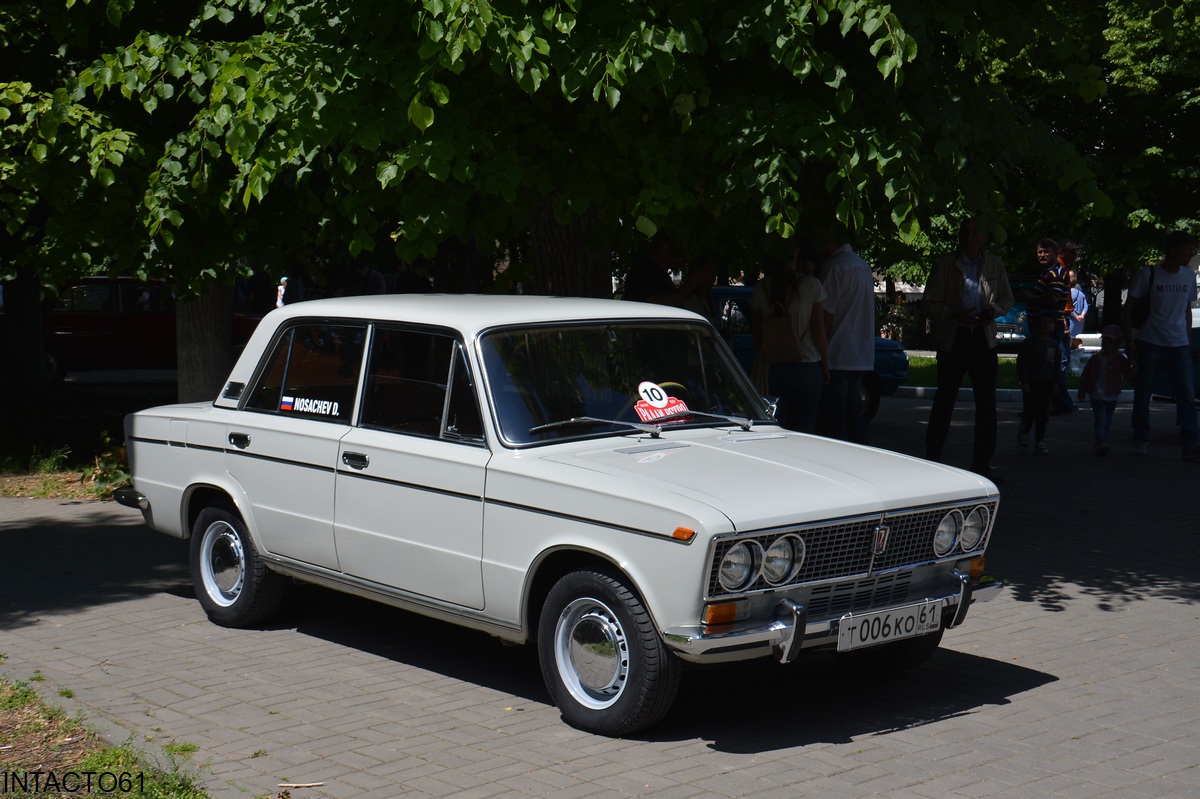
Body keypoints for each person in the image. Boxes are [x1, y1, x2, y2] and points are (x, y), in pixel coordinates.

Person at [922, 217, 1015, 482]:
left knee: (986, 404)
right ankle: (933, 456)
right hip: (954, 337)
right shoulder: (946, 264)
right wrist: (953, 315)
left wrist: (992, 312)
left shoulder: (994, 264)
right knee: (944, 400)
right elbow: (928, 303)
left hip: (983, 339)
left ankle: (982, 463)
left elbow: (1007, 298)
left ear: (984, 237)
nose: (970, 237)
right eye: (965, 232)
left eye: (976, 232)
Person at [1122, 231, 1200, 460]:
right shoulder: (1149, 274)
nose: (1192, 253)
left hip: (1179, 346)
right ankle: (1141, 439)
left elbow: (1186, 308)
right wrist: (1130, 343)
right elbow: (1129, 308)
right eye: (1188, 248)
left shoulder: (1188, 277)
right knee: (1143, 393)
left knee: (1186, 395)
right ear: (1173, 251)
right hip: (1150, 343)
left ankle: (1190, 443)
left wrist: (1185, 338)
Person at [750, 246, 829, 433]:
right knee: (805, 427)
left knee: (776, 426)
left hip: (773, 367)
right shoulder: (812, 285)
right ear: (795, 253)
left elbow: (757, 331)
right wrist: (825, 366)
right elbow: (819, 331)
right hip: (807, 364)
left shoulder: (763, 287)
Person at [815, 228, 875, 443]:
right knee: (853, 414)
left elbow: (825, 316)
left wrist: (819, 347)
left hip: (837, 351)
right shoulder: (862, 266)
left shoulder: (834, 267)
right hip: (859, 352)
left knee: (835, 418)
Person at [1021, 238, 1075, 414]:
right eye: (1040, 252)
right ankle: (1053, 403)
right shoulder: (1049, 272)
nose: (1042, 255)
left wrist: (1030, 297)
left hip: (1049, 330)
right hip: (1046, 328)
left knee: (1048, 367)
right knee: (1046, 367)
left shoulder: (1055, 274)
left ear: (1056, 253)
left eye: (1046, 252)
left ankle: (1061, 403)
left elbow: (1052, 299)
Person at [1077, 324, 1136, 456]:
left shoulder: (1120, 359)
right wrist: (1082, 391)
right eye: (1105, 341)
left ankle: (1101, 439)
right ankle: (1100, 442)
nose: (1107, 344)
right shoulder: (1096, 359)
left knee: (1107, 419)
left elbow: (1128, 374)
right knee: (1101, 419)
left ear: (1116, 343)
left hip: (1112, 395)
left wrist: (1135, 370)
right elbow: (1085, 376)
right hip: (1097, 395)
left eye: (1110, 341)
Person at [622, 234, 710, 308]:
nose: (685, 255)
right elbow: (662, 304)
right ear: (665, 249)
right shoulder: (644, 271)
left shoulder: (656, 271)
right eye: (682, 250)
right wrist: (691, 284)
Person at [1016, 311, 1061, 455]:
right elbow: (1022, 363)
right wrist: (1024, 381)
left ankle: (1040, 439)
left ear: (1054, 326)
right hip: (1032, 383)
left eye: (1050, 322)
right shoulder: (1029, 343)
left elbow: (1057, 366)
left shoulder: (1054, 345)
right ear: (1036, 325)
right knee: (1029, 411)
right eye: (1043, 322)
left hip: (1047, 383)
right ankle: (1023, 434)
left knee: (1043, 414)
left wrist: (1056, 383)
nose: (1046, 325)